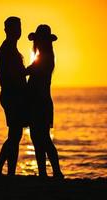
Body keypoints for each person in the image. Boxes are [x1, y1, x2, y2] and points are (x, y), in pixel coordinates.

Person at [26, 24, 64, 179]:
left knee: (42, 139)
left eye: (40, 40)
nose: (38, 43)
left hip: (39, 103)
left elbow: (28, 71)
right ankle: (47, 172)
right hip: (41, 102)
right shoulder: (45, 57)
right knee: (40, 138)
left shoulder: (44, 58)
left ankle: (53, 172)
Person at [0, 17, 28, 176]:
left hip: (14, 96)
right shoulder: (6, 50)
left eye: (19, 28)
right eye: (14, 28)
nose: (17, 31)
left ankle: (7, 171)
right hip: (11, 96)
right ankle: (0, 169)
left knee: (15, 135)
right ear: (7, 30)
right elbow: (12, 76)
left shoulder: (12, 49)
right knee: (14, 135)